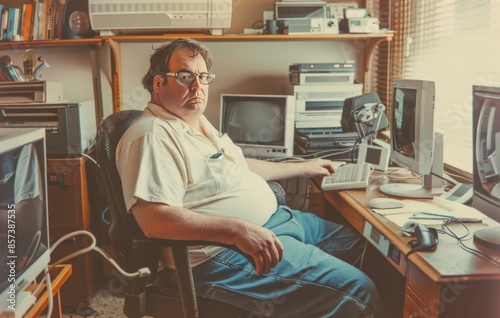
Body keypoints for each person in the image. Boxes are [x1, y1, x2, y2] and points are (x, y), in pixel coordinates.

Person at [116, 37, 385, 317]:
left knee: (374, 254)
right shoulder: (152, 136)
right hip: (222, 255)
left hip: (277, 224)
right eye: (185, 76)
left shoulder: (195, 123)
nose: (197, 86)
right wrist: (237, 231)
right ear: (159, 83)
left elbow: (239, 167)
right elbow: (155, 220)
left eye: (203, 76)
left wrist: (303, 166)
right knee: (357, 290)